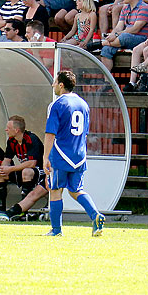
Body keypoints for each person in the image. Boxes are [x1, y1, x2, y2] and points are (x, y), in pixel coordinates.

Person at [43, 70, 105, 236]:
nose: (53, 85)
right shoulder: (83, 104)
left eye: (55, 82)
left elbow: (50, 133)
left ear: (61, 85)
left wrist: (45, 157)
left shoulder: (57, 104)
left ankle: (56, 230)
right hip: (79, 154)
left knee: (56, 190)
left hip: (61, 153)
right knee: (76, 190)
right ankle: (95, 215)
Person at [0, 115, 48, 221]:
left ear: (16, 130)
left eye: (8, 128)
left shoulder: (31, 139)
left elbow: (32, 163)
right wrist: (3, 169)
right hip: (22, 170)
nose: (6, 130)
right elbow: (7, 159)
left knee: (26, 172)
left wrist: (10, 169)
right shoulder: (11, 141)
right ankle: (1, 211)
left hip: (39, 172)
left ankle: (23, 213)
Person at [99, 0, 148, 71]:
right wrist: (112, 35)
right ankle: (107, 82)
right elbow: (119, 26)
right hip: (126, 37)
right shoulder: (125, 8)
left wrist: (116, 35)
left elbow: (135, 29)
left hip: (142, 38)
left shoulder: (144, 7)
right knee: (106, 50)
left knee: (124, 37)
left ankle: (102, 43)